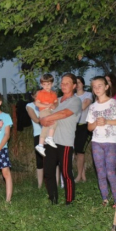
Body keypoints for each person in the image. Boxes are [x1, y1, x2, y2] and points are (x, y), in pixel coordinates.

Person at [40, 73, 81, 205]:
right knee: (48, 171)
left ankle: (69, 201)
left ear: (74, 85)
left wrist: (47, 118)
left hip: (66, 142)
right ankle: (53, 199)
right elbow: (43, 112)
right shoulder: (56, 100)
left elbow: (64, 114)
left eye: (67, 83)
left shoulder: (75, 101)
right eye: (62, 83)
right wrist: (42, 118)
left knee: (66, 173)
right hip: (50, 141)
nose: (63, 85)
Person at [87, 76, 116, 207]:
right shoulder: (92, 107)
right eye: (94, 86)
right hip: (96, 142)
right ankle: (105, 198)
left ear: (106, 87)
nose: (97, 88)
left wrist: (107, 121)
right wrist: (96, 123)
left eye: (100, 85)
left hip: (110, 142)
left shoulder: (113, 103)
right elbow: (89, 127)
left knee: (110, 171)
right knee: (100, 172)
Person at [34, 74, 59, 156]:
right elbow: (37, 103)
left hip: (50, 111)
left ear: (52, 84)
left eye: (48, 84)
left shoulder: (53, 93)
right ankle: (49, 138)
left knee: (46, 127)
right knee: (54, 121)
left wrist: (53, 105)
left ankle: (40, 145)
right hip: (44, 111)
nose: (46, 86)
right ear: (41, 85)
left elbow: (56, 102)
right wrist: (46, 105)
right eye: (44, 84)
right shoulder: (41, 93)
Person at [74, 76, 93, 183]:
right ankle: (83, 175)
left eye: (79, 82)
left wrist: (73, 107)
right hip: (74, 126)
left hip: (85, 125)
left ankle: (79, 176)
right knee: (77, 151)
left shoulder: (88, 94)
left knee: (80, 151)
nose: (78, 85)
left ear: (83, 84)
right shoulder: (72, 96)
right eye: (76, 83)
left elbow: (83, 106)